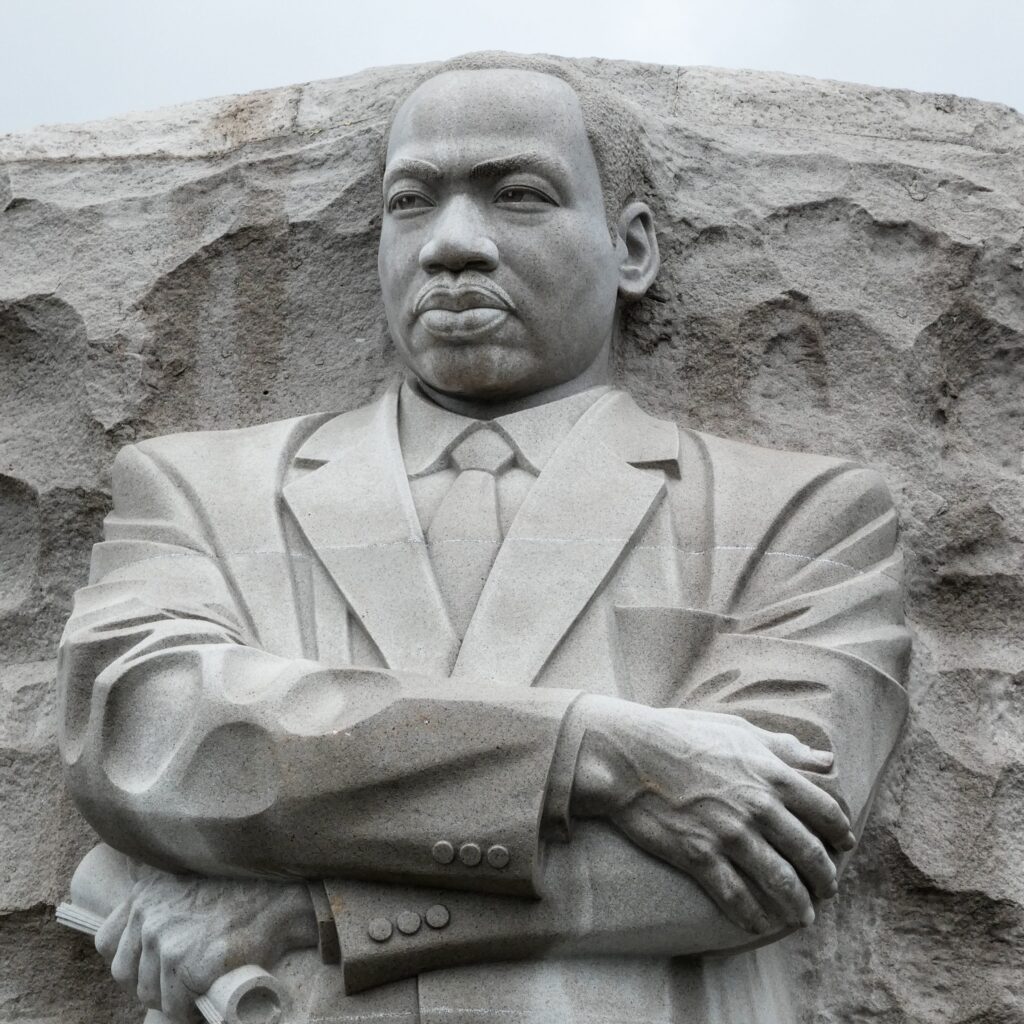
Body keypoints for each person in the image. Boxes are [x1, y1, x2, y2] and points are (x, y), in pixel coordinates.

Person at [58, 52, 910, 1024]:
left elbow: (760, 859)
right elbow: (152, 740)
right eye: (412, 202)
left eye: (518, 195)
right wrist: (593, 750)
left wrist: (308, 908)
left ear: (631, 248)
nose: (451, 244)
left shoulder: (800, 514)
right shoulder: (200, 490)